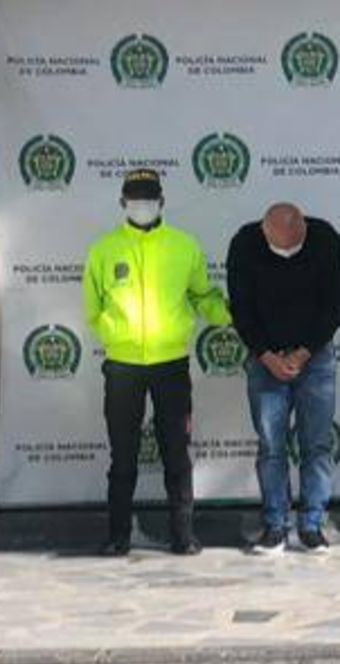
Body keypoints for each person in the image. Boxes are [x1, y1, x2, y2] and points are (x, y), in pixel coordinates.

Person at [82, 168, 231, 557]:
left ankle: (183, 535)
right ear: (122, 203)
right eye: (135, 199)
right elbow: (93, 308)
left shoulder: (184, 246)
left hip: (171, 364)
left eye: (149, 199)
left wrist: (230, 315)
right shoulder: (103, 249)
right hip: (122, 366)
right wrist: (114, 334)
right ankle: (118, 536)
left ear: (162, 202)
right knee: (123, 454)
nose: (142, 205)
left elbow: (202, 296)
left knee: (176, 452)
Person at [227, 203, 340, 556]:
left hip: (315, 356)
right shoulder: (245, 243)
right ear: (265, 232)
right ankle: (275, 526)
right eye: (281, 247)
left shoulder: (325, 239)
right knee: (271, 446)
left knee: (316, 444)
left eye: (295, 246)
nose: (289, 253)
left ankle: (312, 525)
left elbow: (334, 306)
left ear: (304, 229)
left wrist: (303, 353)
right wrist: (267, 356)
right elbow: (241, 309)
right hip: (265, 359)